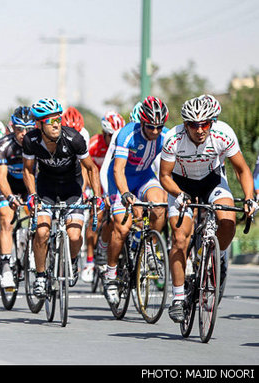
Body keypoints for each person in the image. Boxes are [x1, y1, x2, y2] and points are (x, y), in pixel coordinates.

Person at [160, 94, 257, 322]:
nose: (200, 129)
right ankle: (178, 296)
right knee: (180, 239)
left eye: (205, 124)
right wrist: (178, 194)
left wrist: (250, 198)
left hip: (212, 180)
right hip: (180, 185)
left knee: (228, 222)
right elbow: (164, 175)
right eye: (194, 125)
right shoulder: (173, 138)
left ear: (211, 122)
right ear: (186, 125)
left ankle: (214, 255)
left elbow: (242, 170)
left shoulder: (223, 133)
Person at [22, 97, 102, 297]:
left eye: (58, 119)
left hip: (72, 188)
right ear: (39, 124)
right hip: (46, 189)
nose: (56, 124)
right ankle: (40, 276)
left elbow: (91, 169)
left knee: (75, 235)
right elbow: (28, 170)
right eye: (50, 121)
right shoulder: (31, 140)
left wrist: (97, 197)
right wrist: (32, 195)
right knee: (41, 232)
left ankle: (73, 261)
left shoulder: (74, 138)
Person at [102, 96, 169, 306]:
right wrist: (125, 194)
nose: (155, 132)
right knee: (122, 228)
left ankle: (149, 246)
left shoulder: (165, 136)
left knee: (159, 206)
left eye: (160, 127)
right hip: (120, 180)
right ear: (142, 121)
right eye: (151, 127)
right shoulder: (126, 134)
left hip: (144, 177)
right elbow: (117, 169)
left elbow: (169, 168)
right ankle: (110, 274)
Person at [81, 111, 125, 282]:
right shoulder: (93, 144)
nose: (114, 138)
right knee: (96, 216)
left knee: (116, 219)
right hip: (96, 186)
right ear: (104, 134)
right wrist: (86, 191)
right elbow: (85, 169)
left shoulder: (122, 144)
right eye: (111, 136)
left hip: (114, 186)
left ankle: (109, 249)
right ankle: (90, 261)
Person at [0, 106, 34, 289]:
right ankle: (5, 267)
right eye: (19, 129)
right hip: (9, 186)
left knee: (41, 217)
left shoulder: (38, 144)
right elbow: (1, 177)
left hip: (28, 186)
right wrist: (10, 197)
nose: (23, 134)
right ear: (13, 128)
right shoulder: (4, 145)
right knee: (7, 219)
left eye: (28, 129)